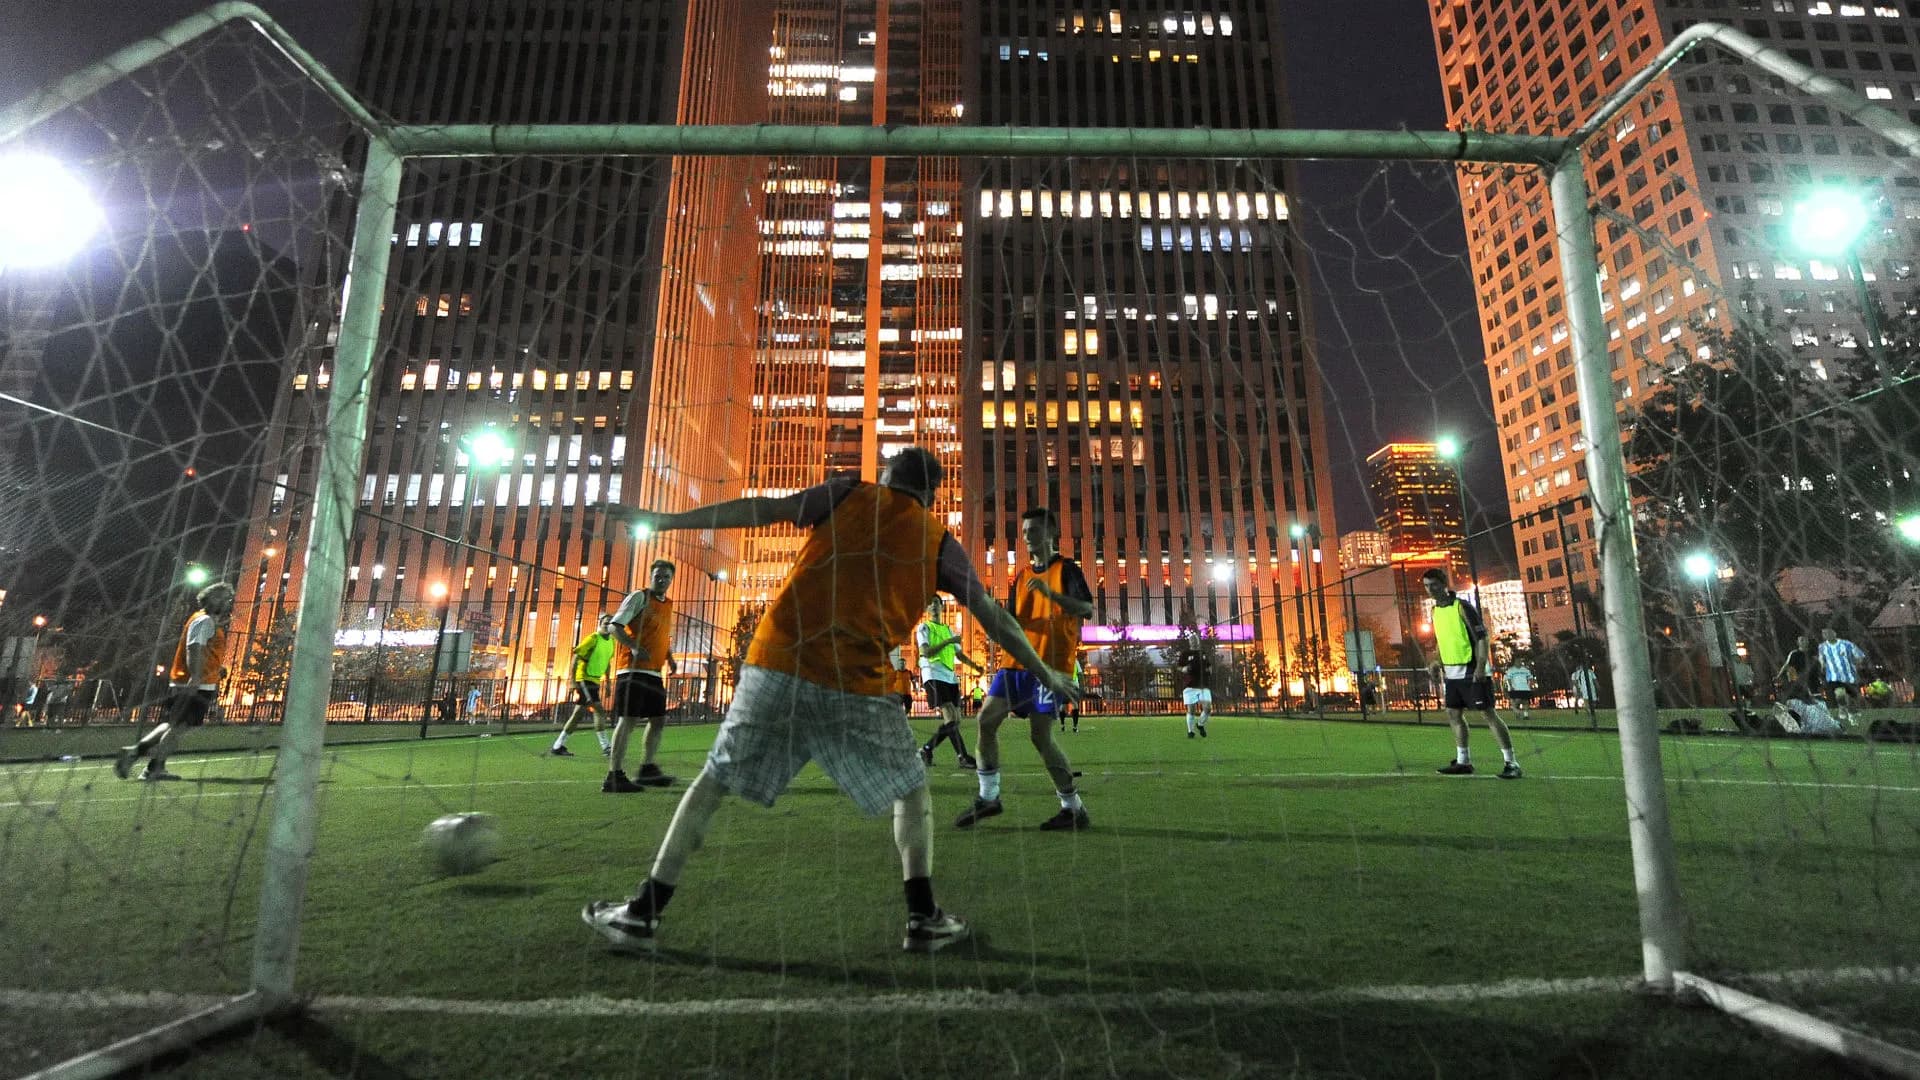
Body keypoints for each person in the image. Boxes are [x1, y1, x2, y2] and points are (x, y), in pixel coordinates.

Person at [581, 447, 1079, 955]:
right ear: (931, 495)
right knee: (911, 789)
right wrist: (1048, 674)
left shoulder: (848, 493)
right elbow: (995, 617)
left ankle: (644, 912)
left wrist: (665, 520)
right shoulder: (938, 543)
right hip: (857, 680)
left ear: (885, 479)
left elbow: (762, 508)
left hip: (780, 660)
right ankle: (923, 916)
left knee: (713, 780)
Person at [956, 506, 1096, 831]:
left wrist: (1052, 595)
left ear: (1049, 533)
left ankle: (1073, 808)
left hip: (1050, 664)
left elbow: (1086, 608)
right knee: (985, 719)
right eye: (1023, 533)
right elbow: (1011, 621)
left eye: (1032, 531)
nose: (1027, 538)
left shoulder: (1066, 569)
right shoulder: (1020, 576)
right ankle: (988, 796)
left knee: (1041, 737)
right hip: (1015, 664)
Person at [115, 582, 235, 781]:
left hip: (196, 681)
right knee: (179, 728)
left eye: (227, 598)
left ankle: (134, 752)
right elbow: (194, 648)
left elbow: (204, 651)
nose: (224, 601)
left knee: (172, 724)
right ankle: (154, 769)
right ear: (208, 598)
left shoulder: (207, 622)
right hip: (193, 684)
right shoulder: (204, 621)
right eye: (220, 597)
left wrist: (216, 669)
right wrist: (195, 677)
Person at [1422, 568, 1521, 779]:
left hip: (1471, 669)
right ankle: (1463, 761)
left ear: (1444, 583)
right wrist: (1436, 662)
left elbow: (1482, 638)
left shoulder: (1462, 606)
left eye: (1434, 585)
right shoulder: (1434, 611)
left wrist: (1480, 666)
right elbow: (1443, 640)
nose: (1430, 590)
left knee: (1488, 714)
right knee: (1454, 714)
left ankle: (1511, 762)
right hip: (1451, 673)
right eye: (1427, 586)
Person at [604, 559, 679, 793]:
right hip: (632, 670)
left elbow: (660, 635)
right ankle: (614, 775)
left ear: (671, 579)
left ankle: (647, 769)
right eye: (658, 575)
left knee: (658, 720)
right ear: (651, 576)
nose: (662, 580)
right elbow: (614, 626)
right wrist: (632, 646)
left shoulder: (668, 604)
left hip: (654, 672)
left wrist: (669, 656)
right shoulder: (639, 597)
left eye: (666, 576)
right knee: (628, 720)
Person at [915, 596, 981, 769]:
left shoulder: (948, 630)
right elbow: (926, 652)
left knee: (955, 720)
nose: (933, 606)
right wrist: (949, 642)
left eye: (936, 603)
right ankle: (963, 757)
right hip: (933, 673)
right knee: (950, 716)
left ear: (942, 607)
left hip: (949, 676)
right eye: (930, 603)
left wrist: (975, 666)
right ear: (927, 609)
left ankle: (926, 750)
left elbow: (958, 655)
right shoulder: (924, 627)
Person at [551, 614, 616, 756]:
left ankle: (557, 746)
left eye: (610, 624)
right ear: (600, 624)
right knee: (599, 710)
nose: (607, 626)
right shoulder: (593, 638)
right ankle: (606, 747)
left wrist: (608, 683)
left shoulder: (611, 642)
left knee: (577, 715)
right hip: (584, 680)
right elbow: (576, 657)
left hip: (594, 681)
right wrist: (572, 681)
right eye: (605, 623)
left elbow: (607, 663)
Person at [1815, 626, 1868, 725]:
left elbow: (1860, 656)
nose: (1826, 635)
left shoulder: (1847, 644)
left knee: (1851, 699)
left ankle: (1852, 715)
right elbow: (1822, 659)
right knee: (1840, 693)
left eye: (1828, 632)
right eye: (1824, 633)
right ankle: (1842, 707)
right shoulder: (1822, 647)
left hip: (1849, 676)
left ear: (1834, 633)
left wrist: (1856, 664)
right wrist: (1822, 667)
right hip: (1833, 676)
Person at [1179, 632, 1212, 738]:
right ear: (1189, 642)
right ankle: (1190, 731)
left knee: (1207, 708)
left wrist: (1209, 670)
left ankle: (1200, 724)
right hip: (1190, 685)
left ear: (1198, 642)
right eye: (1192, 640)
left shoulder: (1203, 653)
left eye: (1196, 640)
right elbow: (1179, 667)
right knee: (1191, 710)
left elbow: (1209, 665)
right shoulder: (1185, 654)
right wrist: (1184, 669)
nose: (1194, 642)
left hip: (1203, 685)